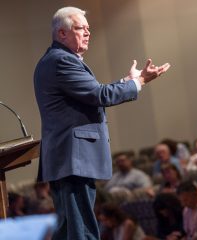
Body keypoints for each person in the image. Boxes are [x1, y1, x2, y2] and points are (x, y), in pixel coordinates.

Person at [33, 7, 170, 240]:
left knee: (69, 230)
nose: (87, 33)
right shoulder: (61, 61)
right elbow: (100, 95)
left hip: (67, 159)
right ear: (62, 33)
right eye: (80, 28)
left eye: (88, 28)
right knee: (82, 231)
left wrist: (127, 80)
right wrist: (139, 82)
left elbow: (92, 93)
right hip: (73, 159)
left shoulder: (57, 60)